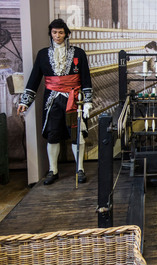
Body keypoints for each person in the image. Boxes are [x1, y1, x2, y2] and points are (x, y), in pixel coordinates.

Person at [17, 18, 93, 185]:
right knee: (52, 134)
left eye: (60, 32)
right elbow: (34, 79)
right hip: (52, 100)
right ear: (50, 34)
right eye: (54, 32)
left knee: (77, 134)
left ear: (66, 34)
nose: (57, 35)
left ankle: (80, 169)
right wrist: (25, 102)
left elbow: (86, 78)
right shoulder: (43, 54)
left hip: (74, 99)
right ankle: (53, 170)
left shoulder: (79, 53)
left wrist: (87, 101)